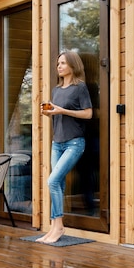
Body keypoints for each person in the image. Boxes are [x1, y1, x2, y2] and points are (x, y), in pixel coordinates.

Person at [37, 50, 93, 244]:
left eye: (62, 63)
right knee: (58, 183)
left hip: (74, 142)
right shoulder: (56, 90)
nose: (59, 66)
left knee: (52, 181)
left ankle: (59, 226)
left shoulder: (80, 88)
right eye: (58, 63)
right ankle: (53, 228)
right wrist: (50, 112)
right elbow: (57, 113)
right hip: (57, 142)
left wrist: (63, 110)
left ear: (72, 65)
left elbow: (88, 114)